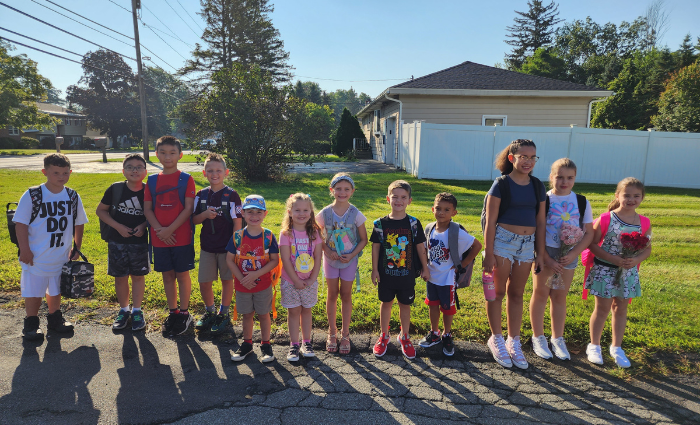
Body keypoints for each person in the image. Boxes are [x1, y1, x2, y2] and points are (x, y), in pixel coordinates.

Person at [482, 139, 546, 369]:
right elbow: (490, 222)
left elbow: (540, 221)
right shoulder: (501, 185)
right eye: (523, 157)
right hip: (502, 243)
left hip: (527, 246)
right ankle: (496, 338)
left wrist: (540, 252)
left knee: (517, 293)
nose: (528, 161)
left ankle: (513, 341)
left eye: (532, 157)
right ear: (512, 158)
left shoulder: (538, 186)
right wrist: (489, 253)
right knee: (497, 293)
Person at [14, 153, 88, 340]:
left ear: (70, 172)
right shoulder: (33, 194)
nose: (61, 177)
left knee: (56, 289)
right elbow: (21, 223)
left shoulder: (72, 195)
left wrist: (76, 247)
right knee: (34, 291)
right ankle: (31, 324)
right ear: (44, 172)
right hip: (36, 256)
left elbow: (79, 222)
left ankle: (55, 319)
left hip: (61, 255)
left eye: (65, 172)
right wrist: (25, 249)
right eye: (56, 172)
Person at [529, 159, 593, 360]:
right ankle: (538, 337)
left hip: (568, 256)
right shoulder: (543, 200)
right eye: (559, 177)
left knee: (559, 296)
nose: (564, 182)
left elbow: (589, 233)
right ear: (551, 177)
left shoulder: (581, 202)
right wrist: (545, 257)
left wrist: (573, 254)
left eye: (569, 178)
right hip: (545, 252)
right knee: (541, 293)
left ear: (575, 179)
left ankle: (557, 338)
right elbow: (536, 230)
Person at [585, 178, 651, 368]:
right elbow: (592, 244)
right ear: (617, 196)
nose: (631, 199)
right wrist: (612, 259)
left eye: (636, 196)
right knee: (603, 308)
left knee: (620, 309)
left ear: (642, 198)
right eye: (627, 195)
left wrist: (636, 260)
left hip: (627, 273)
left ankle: (616, 347)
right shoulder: (606, 218)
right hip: (605, 270)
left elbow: (648, 248)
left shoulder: (644, 222)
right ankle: (594, 345)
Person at [143, 135, 197, 337]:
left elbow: (188, 208)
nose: (168, 157)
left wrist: (170, 230)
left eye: (172, 153)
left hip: (181, 237)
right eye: (163, 153)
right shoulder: (152, 180)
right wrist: (160, 230)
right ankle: (173, 311)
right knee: (167, 275)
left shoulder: (186, 179)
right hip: (159, 238)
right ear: (156, 154)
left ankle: (184, 313)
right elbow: (148, 209)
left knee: (182, 274)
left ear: (180, 155)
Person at [370, 180, 430, 360]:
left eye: (403, 197)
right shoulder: (380, 224)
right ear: (388, 198)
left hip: (407, 275)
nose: (398, 200)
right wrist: (374, 270)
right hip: (386, 275)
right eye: (395, 196)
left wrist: (425, 268)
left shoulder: (413, 223)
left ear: (409, 200)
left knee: (405, 305)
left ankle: (405, 336)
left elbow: (420, 247)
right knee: (386, 304)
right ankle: (384, 336)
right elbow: (375, 248)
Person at [419, 192, 481, 357]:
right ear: (432, 209)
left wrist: (462, 265)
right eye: (438, 208)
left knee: (447, 308)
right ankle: (434, 333)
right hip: (432, 276)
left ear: (454, 213)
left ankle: (447, 334)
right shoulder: (429, 228)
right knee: (432, 305)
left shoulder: (456, 231)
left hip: (447, 279)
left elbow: (477, 245)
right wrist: (424, 268)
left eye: (447, 210)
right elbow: (425, 250)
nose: (441, 212)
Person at [96, 154, 150, 331]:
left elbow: (154, 215)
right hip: (116, 242)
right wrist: (118, 227)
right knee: (120, 278)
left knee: (137, 277)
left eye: (139, 167)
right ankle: (123, 310)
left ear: (145, 171)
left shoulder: (149, 190)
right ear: (123, 171)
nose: (134, 170)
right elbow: (101, 211)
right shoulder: (115, 189)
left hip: (139, 243)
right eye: (130, 167)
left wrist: (143, 226)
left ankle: (137, 311)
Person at [316, 173, 368, 355]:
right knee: (332, 294)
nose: (342, 192)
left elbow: (363, 239)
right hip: (330, 261)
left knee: (346, 294)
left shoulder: (356, 214)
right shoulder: (324, 213)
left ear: (352, 191)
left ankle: (345, 334)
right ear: (332, 190)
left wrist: (352, 254)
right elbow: (315, 235)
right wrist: (327, 251)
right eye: (338, 189)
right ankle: (332, 333)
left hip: (349, 261)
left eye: (346, 189)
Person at [192, 153, 243, 335]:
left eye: (218, 170)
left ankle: (224, 313)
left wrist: (235, 246)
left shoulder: (232, 195)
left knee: (226, 280)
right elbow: (194, 220)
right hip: (207, 247)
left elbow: (238, 222)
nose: (215, 174)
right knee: (204, 281)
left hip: (227, 248)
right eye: (210, 170)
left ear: (226, 172)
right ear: (204, 173)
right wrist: (204, 215)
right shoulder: (201, 195)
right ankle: (210, 311)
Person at [227, 195, 280, 363]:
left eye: (259, 212)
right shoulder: (237, 236)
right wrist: (243, 278)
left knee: (264, 314)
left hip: (263, 285)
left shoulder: (269, 236)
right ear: (242, 213)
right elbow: (229, 259)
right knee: (247, 315)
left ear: (265, 214)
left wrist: (256, 274)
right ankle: (247, 344)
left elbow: (274, 260)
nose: (254, 216)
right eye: (250, 212)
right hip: (242, 285)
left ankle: (265, 344)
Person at [279, 193, 323, 361]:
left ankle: (306, 342)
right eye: (297, 210)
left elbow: (318, 257)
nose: (302, 213)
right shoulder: (286, 234)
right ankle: (294, 344)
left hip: (310, 281)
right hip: (291, 281)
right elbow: (285, 259)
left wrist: (312, 279)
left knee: (306, 311)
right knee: (294, 312)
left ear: (311, 212)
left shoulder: (315, 232)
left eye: (306, 210)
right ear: (290, 212)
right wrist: (296, 280)